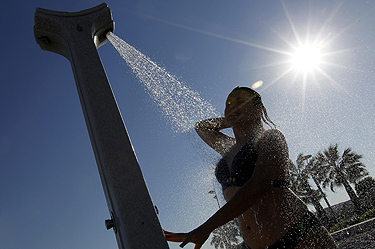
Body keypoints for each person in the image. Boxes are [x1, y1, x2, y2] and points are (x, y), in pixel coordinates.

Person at [164, 87, 337, 249]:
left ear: (258, 109)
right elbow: (201, 127)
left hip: (299, 235)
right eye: (229, 104)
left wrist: (206, 227)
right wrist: (230, 119)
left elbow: (259, 184)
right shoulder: (229, 147)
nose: (233, 105)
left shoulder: (271, 138)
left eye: (241, 101)